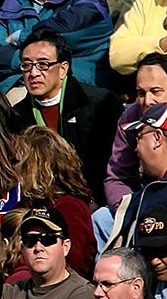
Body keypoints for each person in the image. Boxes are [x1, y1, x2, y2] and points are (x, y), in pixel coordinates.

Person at [10, 29, 121, 197]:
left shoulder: (101, 104)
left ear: (63, 69)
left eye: (43, 64)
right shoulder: (16, 116)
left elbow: (111, 165)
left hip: (93, 199)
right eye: (26, 65)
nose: (33, 73)